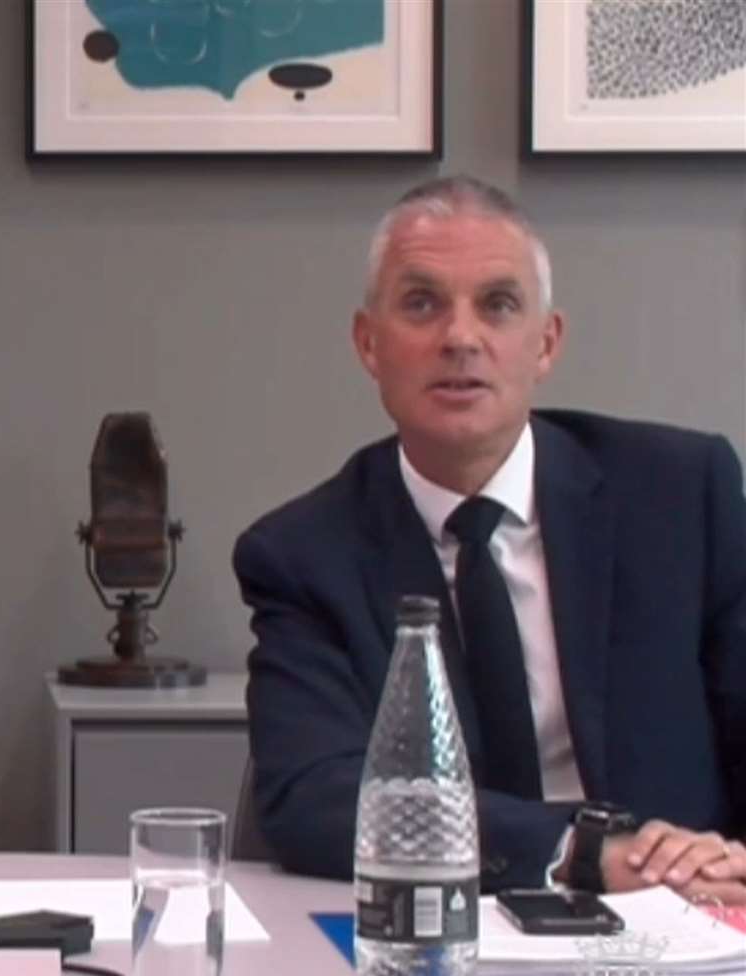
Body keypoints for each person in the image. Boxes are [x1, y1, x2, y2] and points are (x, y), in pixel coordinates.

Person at [234, 175, 746, 902]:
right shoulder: (303, 554)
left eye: (498, 305)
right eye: (422, 304)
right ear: (368, 343)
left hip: (683, 924)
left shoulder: (683, 495)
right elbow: (315, 794)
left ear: (545, 343)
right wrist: (581, 852)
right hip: (432, 931)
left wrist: (718, 867)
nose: (461, 338)